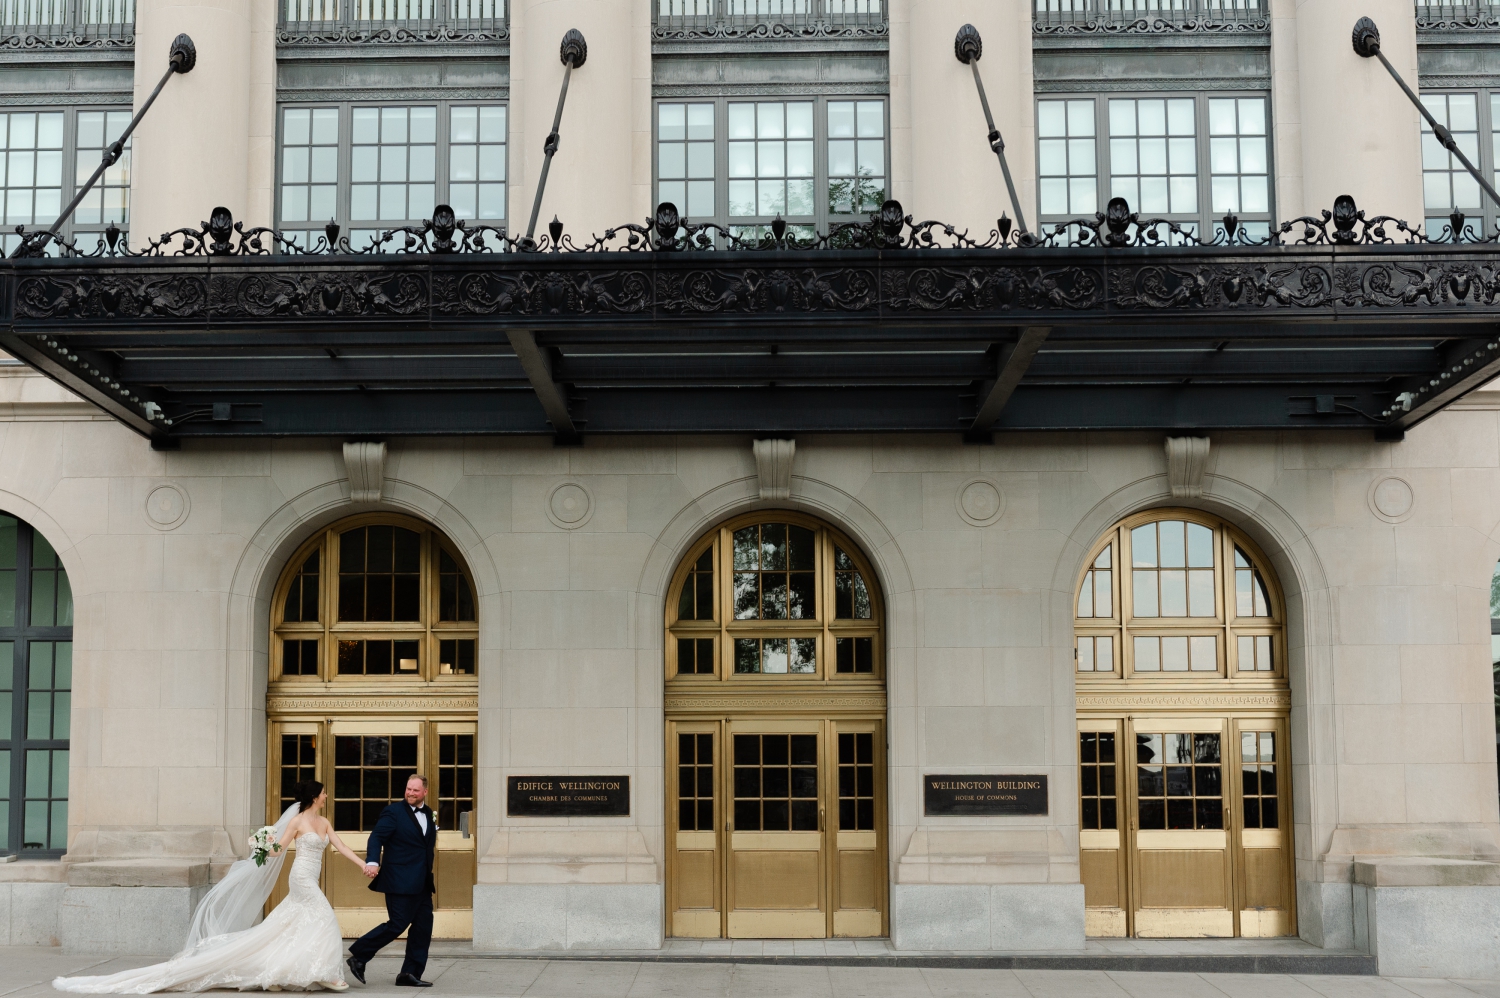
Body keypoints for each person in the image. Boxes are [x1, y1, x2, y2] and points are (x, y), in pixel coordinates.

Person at [53, 781, 366, 993]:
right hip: (300, 878)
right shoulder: (297, 822)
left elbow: (340, 846)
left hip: (311, 876)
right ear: (315, 796)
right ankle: (329, 974)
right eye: (324, 793)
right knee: (324, 917)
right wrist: (261, 844)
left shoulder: (324, 823)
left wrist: (364, 864)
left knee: (291, 924)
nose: (327, 796)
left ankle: (286, 970)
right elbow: (277, 850)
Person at [345, 775, 437, 988]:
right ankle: (359, 955)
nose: (410, 793)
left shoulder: (428, 813)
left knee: (423, 927)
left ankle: (409, 973)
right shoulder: (393, 812)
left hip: (422, 882)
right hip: (399, 879)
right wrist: (373, 861)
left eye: (415, 790)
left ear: (425, 792)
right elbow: (376, 837)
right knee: (397, 923)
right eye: (408, 789)